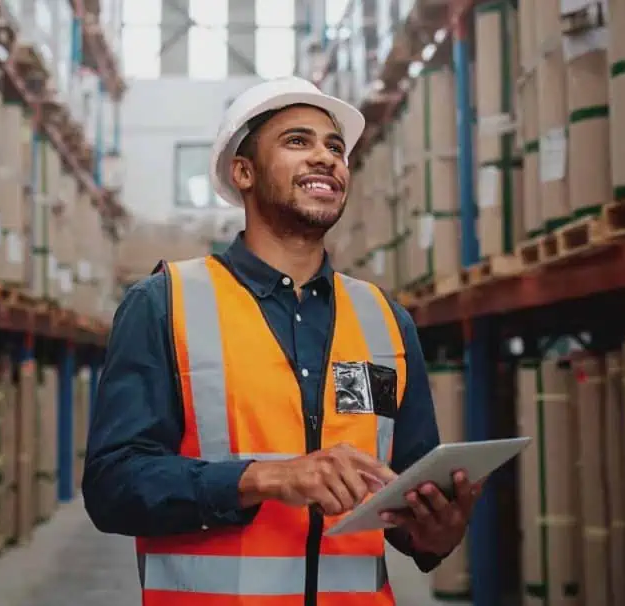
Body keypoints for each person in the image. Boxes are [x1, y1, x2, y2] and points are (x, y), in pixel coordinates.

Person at [82, 77, 483, 605]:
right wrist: (262, 479)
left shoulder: (385, 320)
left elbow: (407, 502)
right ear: (242, 172)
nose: (326, 157)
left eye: (335, 147)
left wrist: (437, 533)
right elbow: (113, 486)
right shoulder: (166, 304)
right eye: (298, 141)